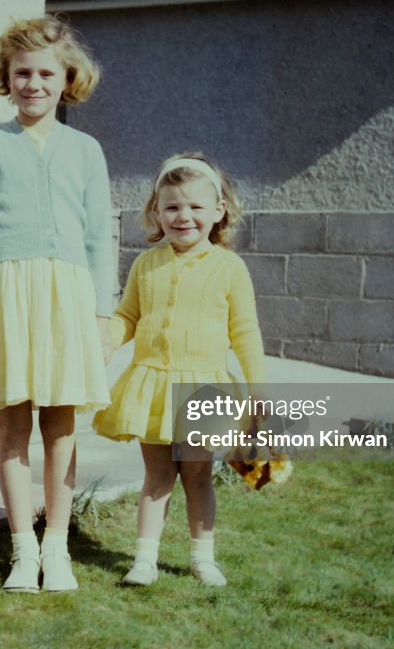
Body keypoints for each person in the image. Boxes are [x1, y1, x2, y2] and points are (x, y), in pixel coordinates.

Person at [0, 15, 114, 593]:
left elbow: (99, 237)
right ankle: (22, 549)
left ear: (67, 78)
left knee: (62, 428)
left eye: (46, 72)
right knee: (12, 427)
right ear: (6, 77)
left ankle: (57, 548)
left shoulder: (86, 150)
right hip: (5, 292)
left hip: (67, 295)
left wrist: (102, 312)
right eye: (22, 73)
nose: (33, 83)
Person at [93, 153, 267, 587]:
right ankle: (144, 560)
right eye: (171, 207)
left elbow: (245, 332)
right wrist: (107, 340)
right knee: (156, 476)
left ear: (218, 211)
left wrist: (259, 388)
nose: (183, 216)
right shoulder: (145, 264)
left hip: (202, 387)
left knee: (196, 473)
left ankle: (202, 557)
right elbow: (128, 316)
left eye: (194, 207)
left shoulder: (229, 268)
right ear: (156, 211)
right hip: (151, 384)